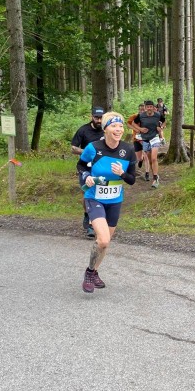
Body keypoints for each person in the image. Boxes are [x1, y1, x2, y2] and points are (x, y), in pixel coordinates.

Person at [77, 111, 136, 293]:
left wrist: (122, 174)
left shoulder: (128, 150)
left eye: (120, 126)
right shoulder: (93, 148)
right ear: (105, 129)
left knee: (105, 242)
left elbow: (132, 179)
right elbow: (81, 165)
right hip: (94, 197)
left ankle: (94, 271)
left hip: (115, 200)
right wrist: (86, 175)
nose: (118, 129)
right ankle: (89, 272)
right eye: (114, 126)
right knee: (102, 240)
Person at [71, 107, 105, 238]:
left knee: (99, 193)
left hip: (102, 167)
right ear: (92, 117)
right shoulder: (83, 130)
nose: (98, 120)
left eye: (101, 118)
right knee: (88, 193)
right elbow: (73, 148)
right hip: (86, 167)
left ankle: (95, 221)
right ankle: (88, 216)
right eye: (96, 117)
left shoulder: (106, 129)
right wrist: (88, 152)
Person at [131, 100, 165, 189]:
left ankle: (155, 179)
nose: (149, 108)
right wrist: (140, 129)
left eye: (151, 107)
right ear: (145, 108)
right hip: (145, 139)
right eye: (147, 107)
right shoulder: (141, 116)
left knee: (154, 158)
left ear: (153, 107)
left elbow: (164, 121)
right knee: (150, 160)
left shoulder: (158, 115)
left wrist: (161, 128)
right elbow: (133, 123)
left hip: (155, 138)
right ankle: (155, 173)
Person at [127, 103, 150, 180]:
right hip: (136, 139)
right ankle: (141, 160)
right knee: (139, 158)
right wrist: (136, 129)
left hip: (145, 139)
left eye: (143, 109)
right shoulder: (134, 116)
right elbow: (128, 124)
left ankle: (147, 173)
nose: (141, 111)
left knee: (146, 156)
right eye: (140, 110)